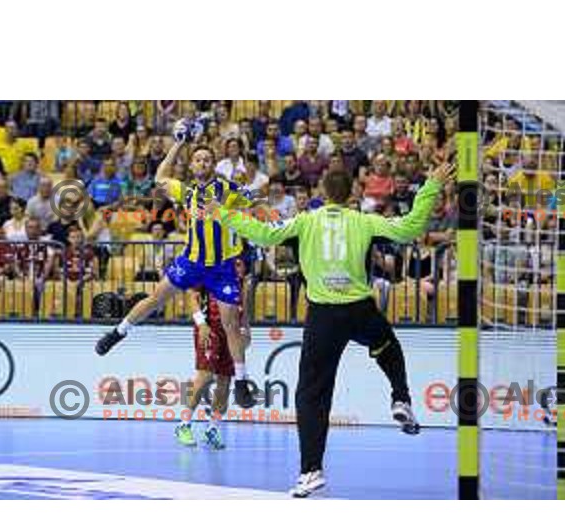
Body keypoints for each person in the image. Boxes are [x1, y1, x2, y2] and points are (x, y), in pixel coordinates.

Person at [209, 163, 453, 497]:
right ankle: (401, 398)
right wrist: (430, 186)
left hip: (323, 316)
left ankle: (311, 470)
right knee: (388, 346)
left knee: (311, 393)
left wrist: (223, 214)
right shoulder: (364, 220)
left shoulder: (305, 221)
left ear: (322, 193)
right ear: (353, 193)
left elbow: (264, 234)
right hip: (359, 310)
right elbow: (410, 228)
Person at [94, 119, 258, 409]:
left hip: (222, 267)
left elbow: (255, 196)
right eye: (197, 159)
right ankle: (118, 332)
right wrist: (179, 143)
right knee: (157, 297)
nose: (203, 162)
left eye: (207, 159)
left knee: (231, 323)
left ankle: (243, 382)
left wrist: (249, 196)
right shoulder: (187, 192)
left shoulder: (228, 190)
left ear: (213, 165)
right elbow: (159, 177)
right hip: (192, 261)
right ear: (192, 166)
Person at [175, 256, 251, 450]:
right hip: (209, 328)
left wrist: (245, 331)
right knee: (205, 375)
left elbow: (244, 312)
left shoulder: (246, 283)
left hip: (231, 334)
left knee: (225, 380)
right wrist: (201, 324)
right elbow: (191, 295)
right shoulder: (212, 271)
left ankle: (213, 428)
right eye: (236, 263)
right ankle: (184, 424)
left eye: (241, 264)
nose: (239, 267)